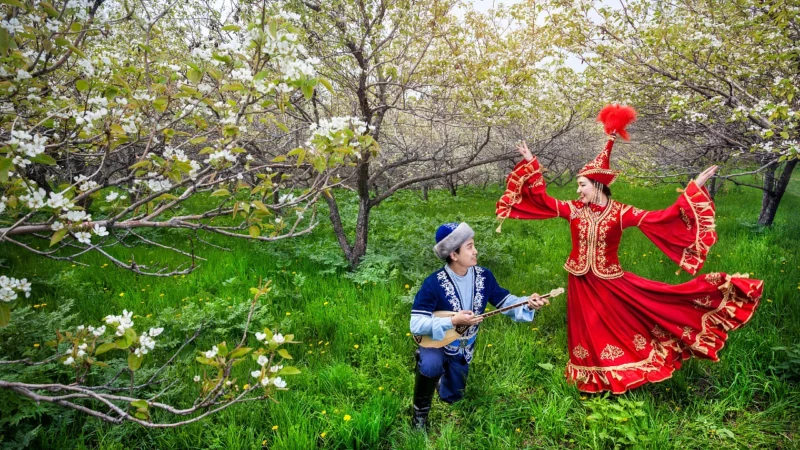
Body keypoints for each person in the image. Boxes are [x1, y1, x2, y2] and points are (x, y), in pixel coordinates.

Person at [495, 104, 762, 394]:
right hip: (580, 279)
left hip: (610, 281)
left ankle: (621, 370)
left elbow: (661, 217)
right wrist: (532, 162)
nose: (577, 191)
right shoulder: (573, 210)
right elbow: (543, 200)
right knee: (585, 327)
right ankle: (590, 378)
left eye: (581, 185)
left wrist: (692, 190)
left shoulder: (621, 212)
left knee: (623, 320)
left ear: (597, 185)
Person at [410, 222, 550, 430]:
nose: (476, 251)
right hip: (437, 341)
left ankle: (443, 378)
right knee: (431, 365)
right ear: (453, 255)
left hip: (463, 347)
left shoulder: (484, 277)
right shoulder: (434, 283)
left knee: (453, 397)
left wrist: (527, 302)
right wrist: (453, 321)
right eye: (469, 246)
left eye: (474, 245)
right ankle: (419, 414)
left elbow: (505, 302)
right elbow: (416, 323)